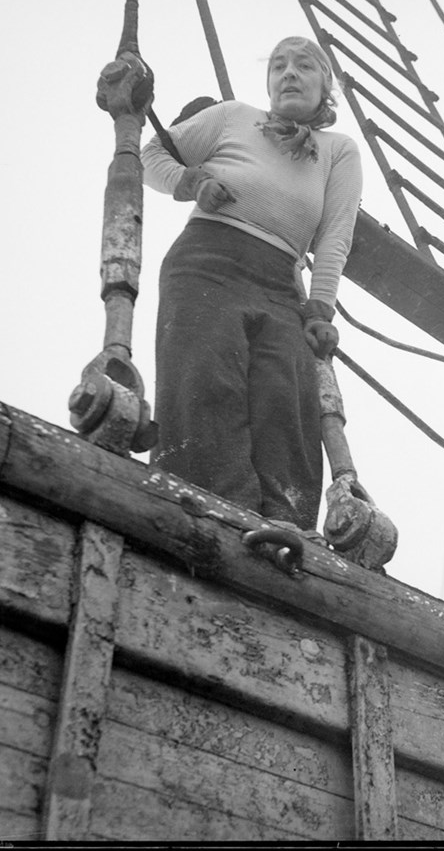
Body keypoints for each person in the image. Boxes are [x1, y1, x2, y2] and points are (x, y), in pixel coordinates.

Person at [139, 36, 361, 531]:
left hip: (281, 286)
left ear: (325, 84)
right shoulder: (233, 117)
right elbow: (151, 153)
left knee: (288, 399)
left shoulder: (337, 152)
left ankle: (286, 528)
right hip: (205, 262)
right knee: (205, 383)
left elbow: (334, 235)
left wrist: (320, 308)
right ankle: (203, 517)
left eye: (304, 65)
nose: (289, 73)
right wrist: (191, 182)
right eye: (278, 65)